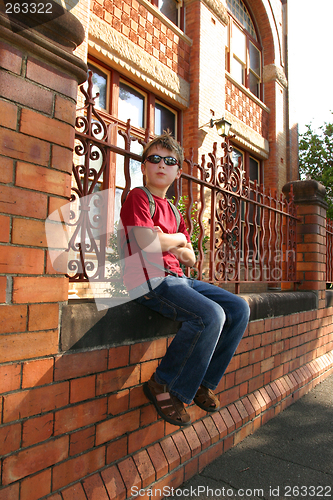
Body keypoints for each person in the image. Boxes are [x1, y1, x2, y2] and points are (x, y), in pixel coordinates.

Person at [119, 132, 250, 427]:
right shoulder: (139, 197)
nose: (161, 165)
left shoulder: (174, 211)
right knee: (210, 315)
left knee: (239, 308)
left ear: (178, 172)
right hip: (148, 279)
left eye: (169, 161)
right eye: (154, 159)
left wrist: (167, 241)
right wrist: (176, 240)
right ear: (143, 167)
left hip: (178, 278)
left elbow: (190, 258)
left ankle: (204, 381)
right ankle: (164, 384)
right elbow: (144, 245)